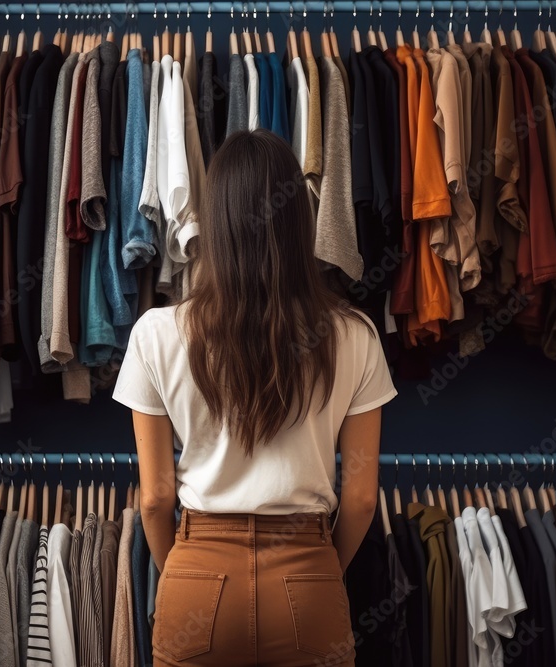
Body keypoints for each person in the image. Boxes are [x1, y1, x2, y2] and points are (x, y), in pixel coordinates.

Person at [112, 130, 397, 666]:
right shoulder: (354, 334)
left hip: (197, 577)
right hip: (307, 577)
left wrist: (182, 570)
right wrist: (318, 570)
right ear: (298, 222)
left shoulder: (156, 333)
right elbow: (360, 499)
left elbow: (154, 498)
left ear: (215, 222)